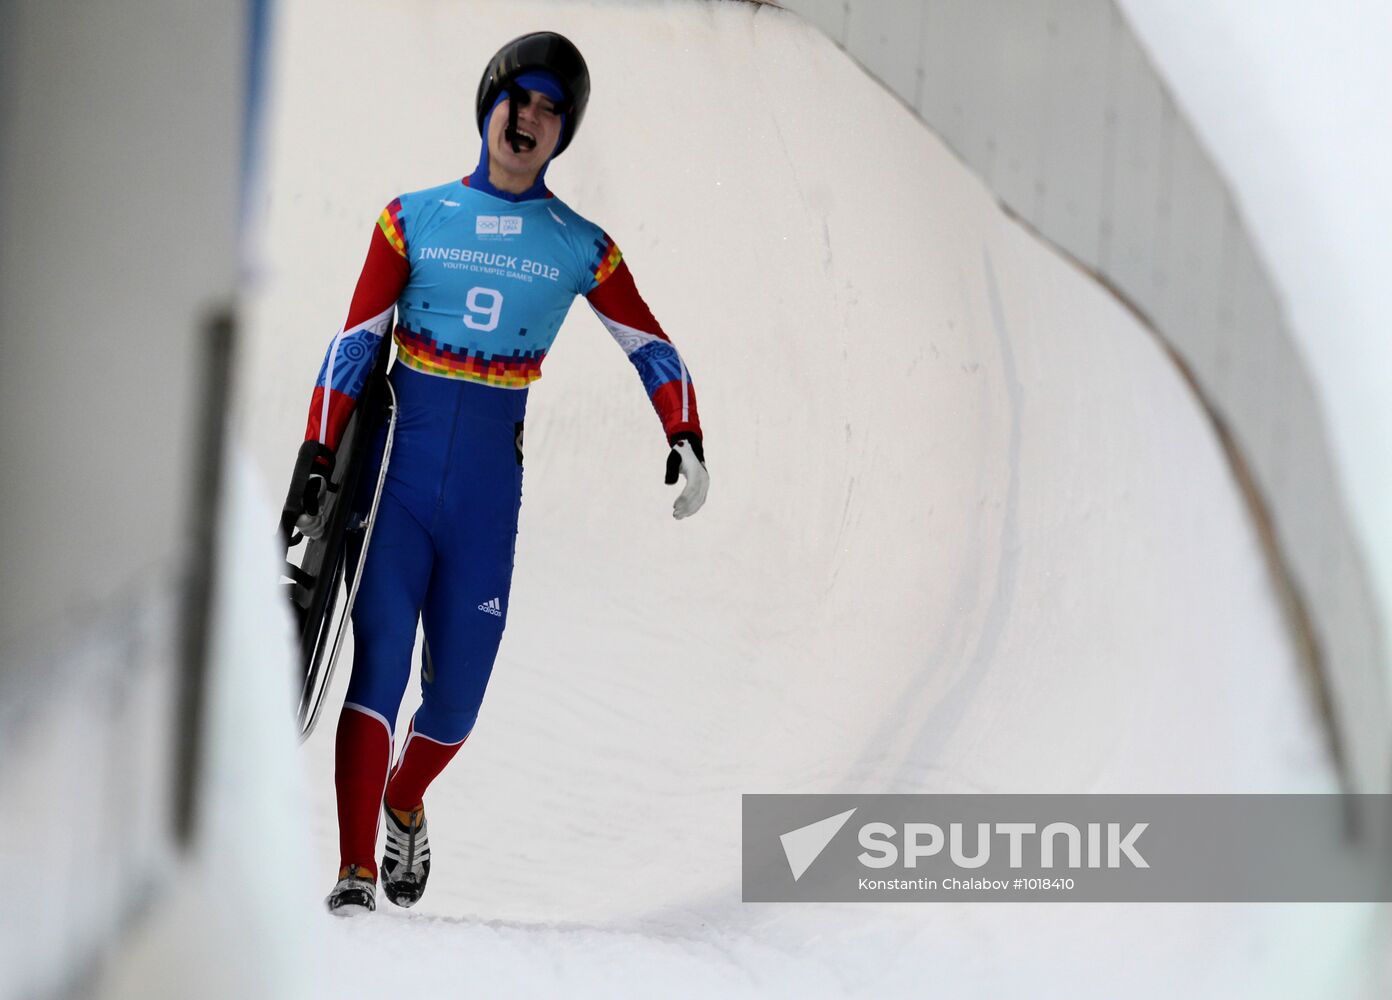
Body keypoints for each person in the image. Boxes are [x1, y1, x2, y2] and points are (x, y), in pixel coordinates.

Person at [291, 31, 708, 915]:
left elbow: (650, 344)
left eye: (550, 109)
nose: (529, 120)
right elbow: (356, 341)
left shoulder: (580, 245)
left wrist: (685, 431)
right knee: (380, 665)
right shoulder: (411, 217)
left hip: (486, 498)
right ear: (489, 106)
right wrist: (316, 455)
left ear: (563, 133)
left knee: (455, 710)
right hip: (396, 486)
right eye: (518, 100)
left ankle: (407, 799)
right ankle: (355, 869)